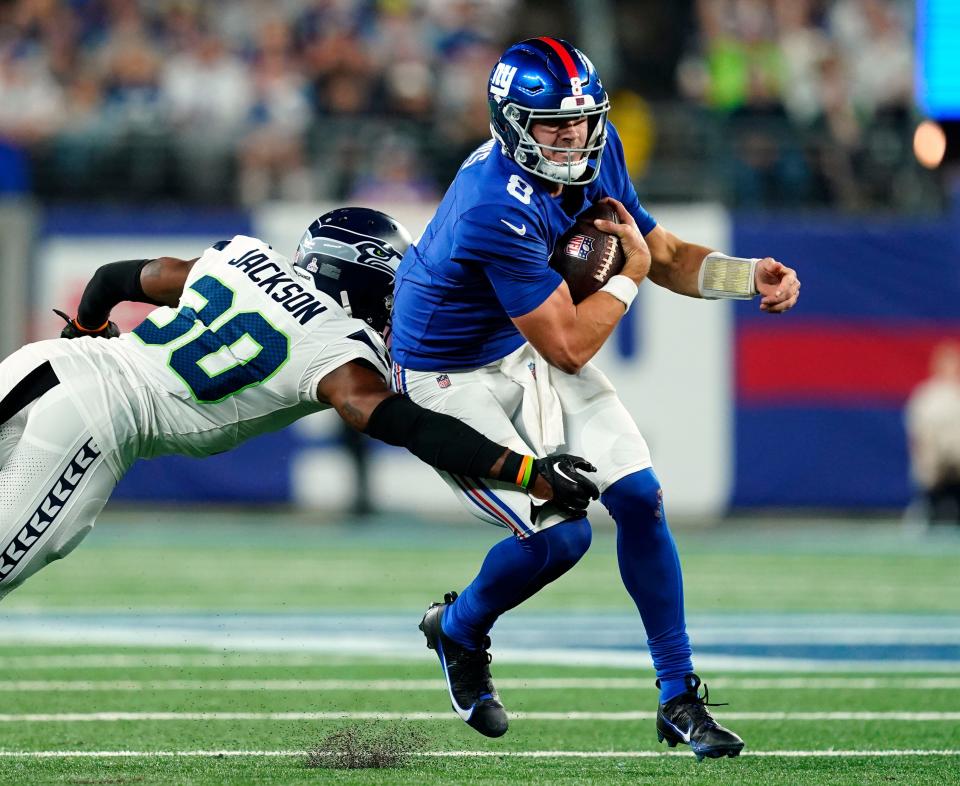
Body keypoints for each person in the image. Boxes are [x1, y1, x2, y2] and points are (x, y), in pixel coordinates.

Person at [390, 38, 800, 758]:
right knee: (562, 535)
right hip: (444, 376)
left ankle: (678, 698)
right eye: (551, 124)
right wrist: (628, 278)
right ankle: (457, 629)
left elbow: (662, 251)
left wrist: (745, 278)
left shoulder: (593, 153)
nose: (571, 136)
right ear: (510, 122)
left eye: (581, 121)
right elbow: (571, 344)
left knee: (640, 497)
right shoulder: (493, 204)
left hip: (520, 347)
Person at [0, 207, 600, 601]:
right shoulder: (337, 347)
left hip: (40, 366)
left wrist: (86, 328)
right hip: (92, 424)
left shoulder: (241, 255)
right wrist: (526, 470)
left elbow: (112, 278)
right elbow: (402, 423)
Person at [905, 341, 960, 525]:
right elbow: (919, 435)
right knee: (934, 514)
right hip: (936, 472)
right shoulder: (926, 397)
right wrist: (930, 467)